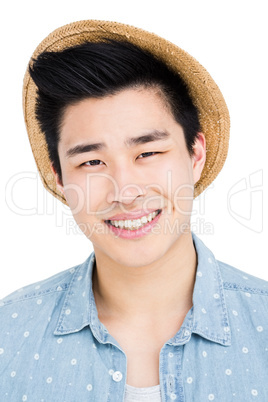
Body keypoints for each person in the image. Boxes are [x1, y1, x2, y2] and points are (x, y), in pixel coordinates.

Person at [0, 20, 267, 402]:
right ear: (59, 178)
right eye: (92, 162)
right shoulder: (8, 335)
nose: (125, 192)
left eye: (148, 153)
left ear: (195, 155)